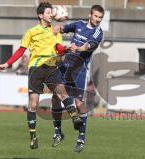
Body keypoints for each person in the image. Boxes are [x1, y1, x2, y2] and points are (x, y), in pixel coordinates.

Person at [0, 2, 83, 149]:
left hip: (51, 67)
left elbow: (58, 48)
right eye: (48, 13)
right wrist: (7, 63)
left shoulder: (55, 31)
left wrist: (66, 49)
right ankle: (33, 136)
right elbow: (21, 50)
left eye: (52, 12)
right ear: (41, 15)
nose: (51, 15)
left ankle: (75, 118)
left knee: (62, 92)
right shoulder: (31, 32)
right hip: (36, 69)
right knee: (33, 104)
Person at [51, 5, 104, 152]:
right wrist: (56, 26)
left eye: (100, 17)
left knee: (79, 103)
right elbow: (63, 29)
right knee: (56, 97)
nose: (98, 20)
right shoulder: (79, 24)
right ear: (90, 15)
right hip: (66, 65)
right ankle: (58, 132)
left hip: (80, 70)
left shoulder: (98, 32)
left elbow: (88, 46)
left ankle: (81, 137)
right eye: (96, 16)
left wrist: (77, 48)